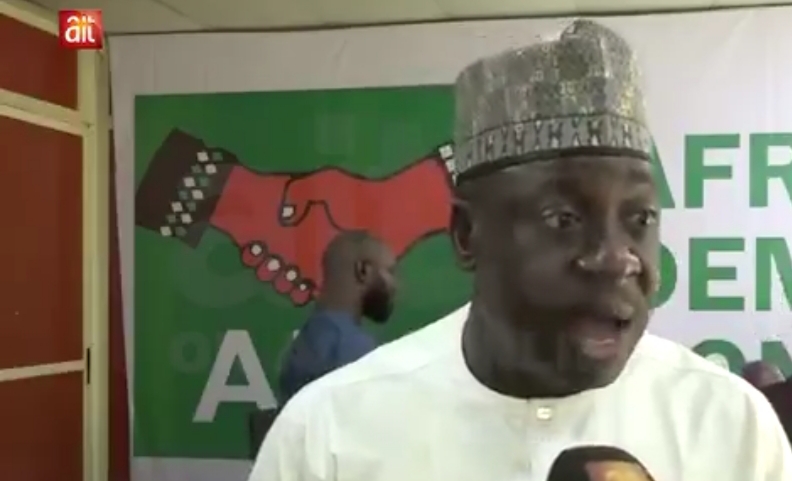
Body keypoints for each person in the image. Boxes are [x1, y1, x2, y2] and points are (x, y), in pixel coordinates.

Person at [250, 20, 791, 480]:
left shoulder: (730, 426)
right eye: (563, 219)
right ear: (467, 234)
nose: (616, 257)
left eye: (640, 219)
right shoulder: (327, 435)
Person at [277, 230, 397, 405]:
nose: (396, 286)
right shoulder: (353, 348)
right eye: (390, 272)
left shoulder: (303, 345)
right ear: (363, 270)